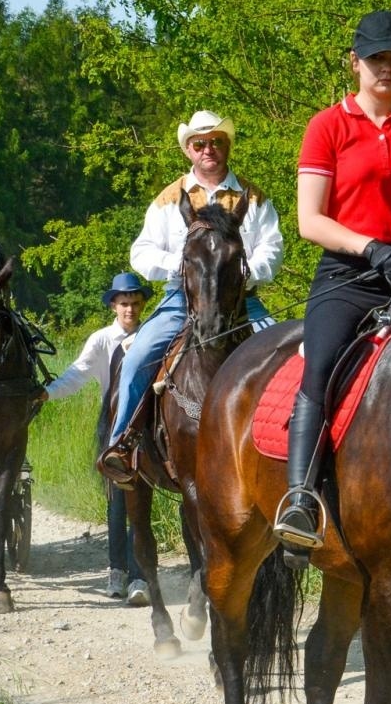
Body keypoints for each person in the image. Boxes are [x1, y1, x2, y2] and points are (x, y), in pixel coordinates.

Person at [272, 9, 391, 550]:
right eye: (377, 59)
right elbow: (310, 220)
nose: (387, 69)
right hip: (347, 274)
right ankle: (302, 497)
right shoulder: (327, 126)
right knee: (322, 365)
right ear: (355, 63)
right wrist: (367, 246)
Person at [96, 110, 284, 484]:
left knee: (288, 359)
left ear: (226, 145)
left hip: (241, 301)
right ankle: (123, 442)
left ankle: (288, 449)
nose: (208, 149)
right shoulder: (169, 198)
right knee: (136, 359)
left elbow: (272, 248)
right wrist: (180, 269)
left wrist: (245, 273)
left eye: (215, 141)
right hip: (182, 300)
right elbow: (142, 250)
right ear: (188, 150)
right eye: (200, 144)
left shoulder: (253, 196)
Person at [43, 272, 152, 604]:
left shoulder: (152, 336)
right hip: (112, 425)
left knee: (141, 503)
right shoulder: (102, 340)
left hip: (145, 424)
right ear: (113, 307)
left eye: (134, 304)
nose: (129, 310)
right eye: (123, 304)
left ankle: (140, 577)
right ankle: (116, 570)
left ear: (142, 304)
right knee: (116, 502)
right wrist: (46, 394)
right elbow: (77, 374)